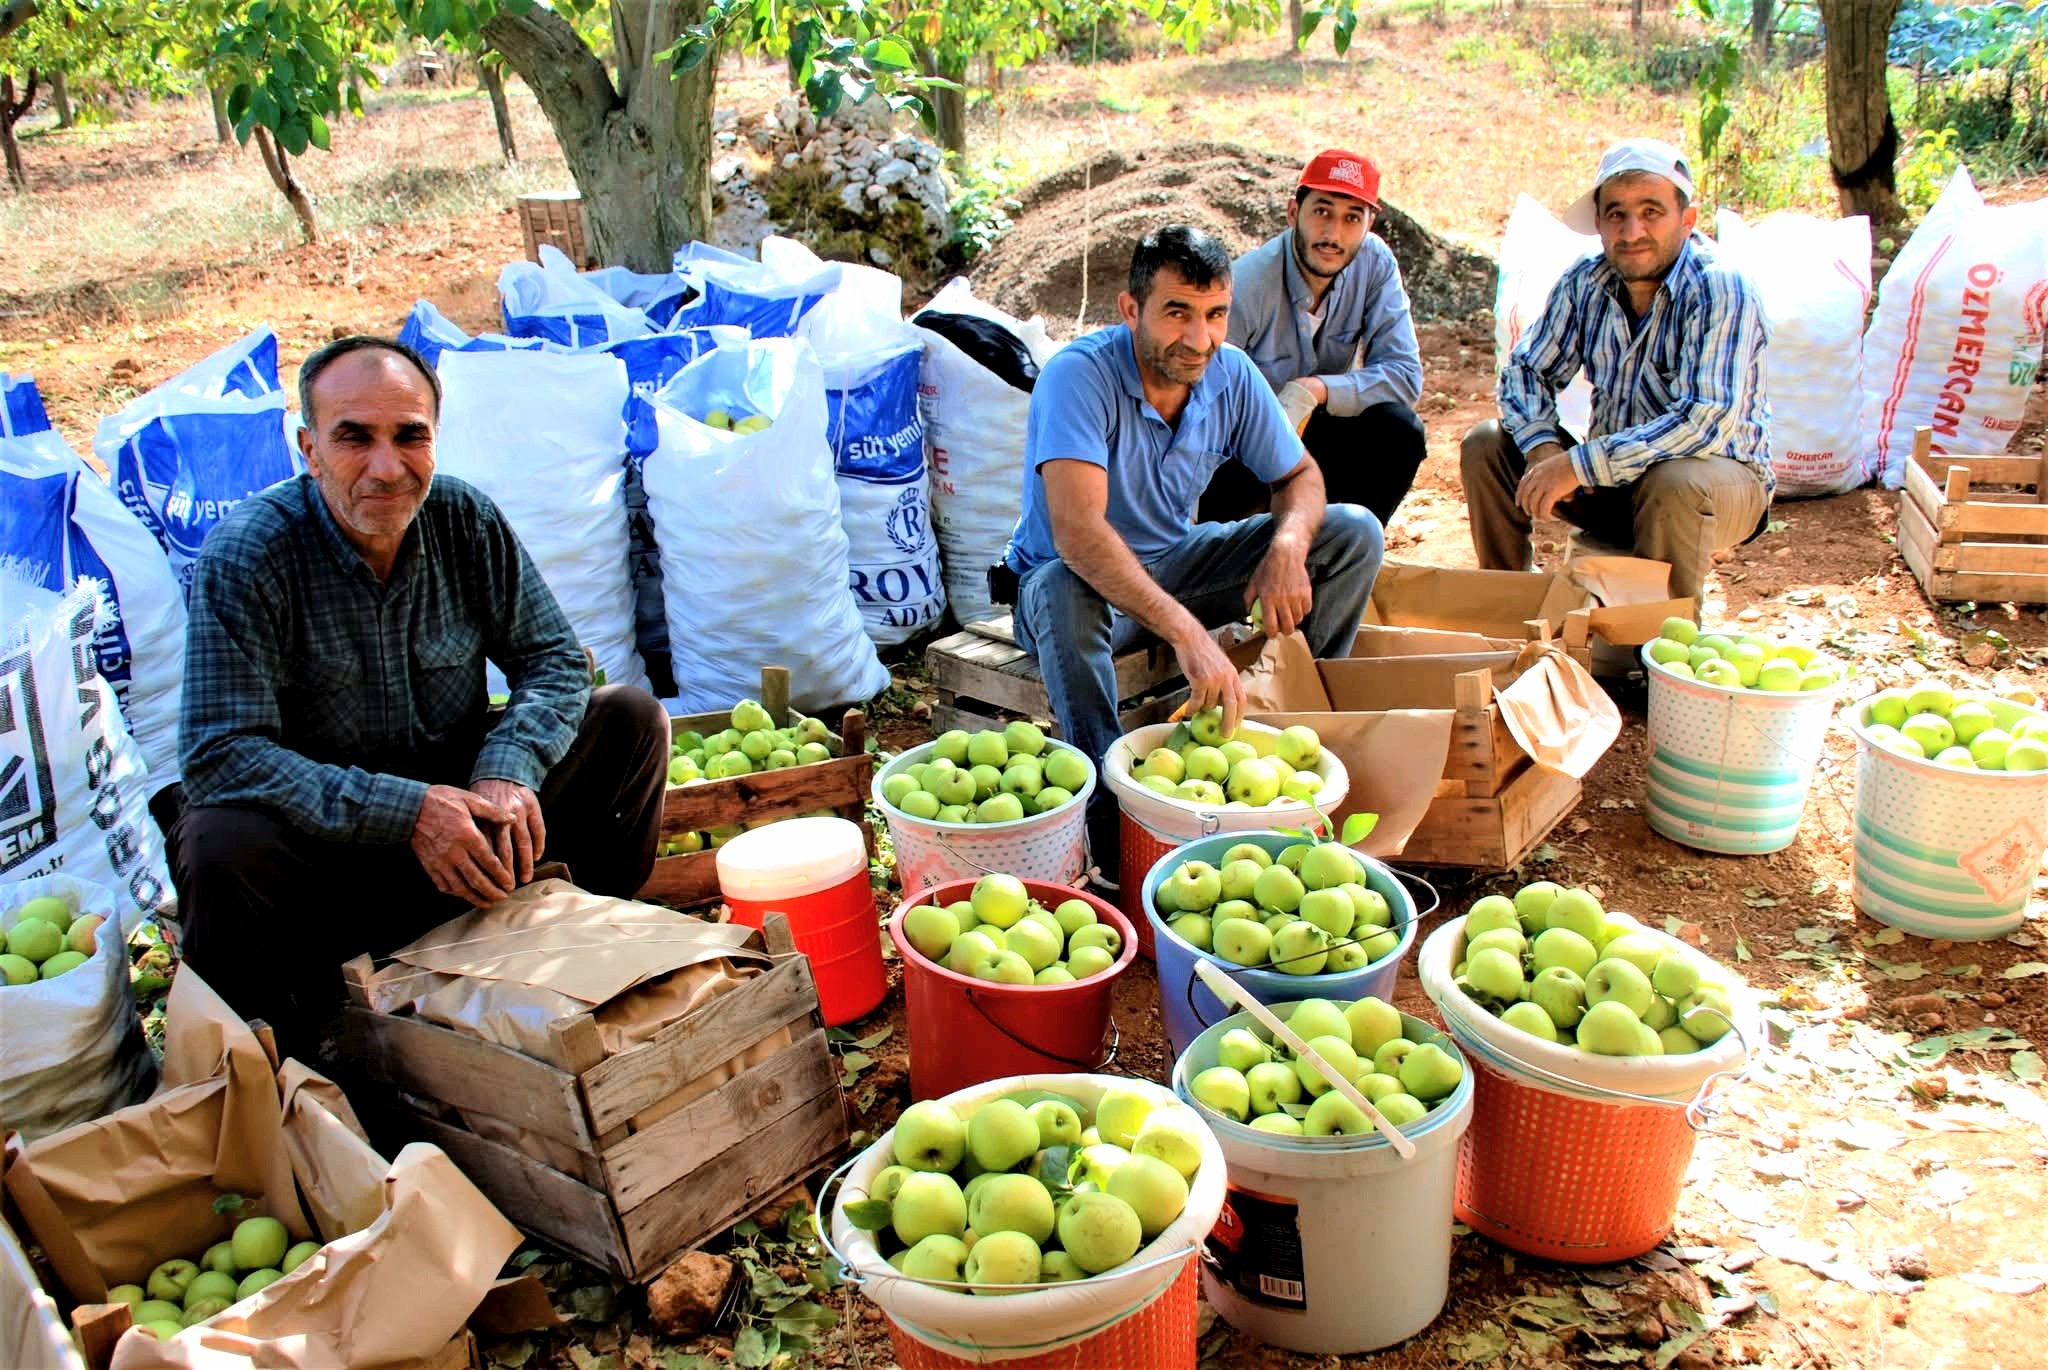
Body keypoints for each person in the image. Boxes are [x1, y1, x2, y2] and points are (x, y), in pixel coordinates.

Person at [168, 336, 670, 1055]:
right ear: (310, 450)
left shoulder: (462, 518)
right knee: (220, 839)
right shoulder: (253, 552)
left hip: (464, 839)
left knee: (629, 719)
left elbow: (554, 661)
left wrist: (506, 772)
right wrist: (407, 812)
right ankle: (294, 1055)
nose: (387, 467)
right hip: (329, 855)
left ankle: (588, 958)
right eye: (354, 438)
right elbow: (221, 753)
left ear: (435, 439)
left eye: (410, 437)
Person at [1000, 225, 1385, 878]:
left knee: (1352, 532)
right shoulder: (1079, 377)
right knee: (1065, 588)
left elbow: (1300, 477)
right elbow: (1078, 536)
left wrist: (1287, 548)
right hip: (1068, 588)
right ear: (1131, 309)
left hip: (1176, 566)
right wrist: (1188, 633)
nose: (1199, 338)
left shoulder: (1229, 374)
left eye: (1215, 315)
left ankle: (1294, 749)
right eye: (1177, 313)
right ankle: (1113, 828)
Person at [1461, 138, 1772, 603]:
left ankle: (1664, 634)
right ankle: (1506, 604)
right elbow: (1526, 370)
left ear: (1687, 220)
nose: (1632, 232)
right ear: (1599, 224)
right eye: (1616, 214)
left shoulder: (1720, 289)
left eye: (1651, 212)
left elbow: (1703, 422)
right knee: (1488, 444)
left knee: (1674, 482)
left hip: (1714, 486)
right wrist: (1544, 450)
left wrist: (1578, 464)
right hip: (1612, 481)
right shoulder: (1587, 280)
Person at [1211, 148, 1426, 527]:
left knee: (1399, 431)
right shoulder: (1245, 285)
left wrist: (1316, 390)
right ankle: (1237, 551)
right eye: (1322, 211)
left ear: (1369, 224)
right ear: (1294, 212)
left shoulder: (1375, 263)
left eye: (1351, 218)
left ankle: (1345, 550)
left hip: (1314, 430)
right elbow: (1201, 404)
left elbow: (1404, 376)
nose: (1333, 233)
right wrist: (1266, 420)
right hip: (1241, 451)